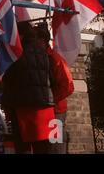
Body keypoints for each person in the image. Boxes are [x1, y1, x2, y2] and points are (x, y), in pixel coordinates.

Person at [1, 22, 55, 154]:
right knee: (43, 147)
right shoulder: (44, 53)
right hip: (45, 107)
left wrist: (6, 103)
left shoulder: (16, 53)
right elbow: (51, 79)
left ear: (21, 35)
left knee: (23, 146)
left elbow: (9, 81)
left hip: (24, 107)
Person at [35, 24, 74, 154]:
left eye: (36, 40)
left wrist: (51, 99)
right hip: (45, 108)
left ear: (42, 40)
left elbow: (68, 87)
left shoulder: (55, 60)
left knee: (55, 146)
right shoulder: (40, 58)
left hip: (55, 110)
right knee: (46, 146)